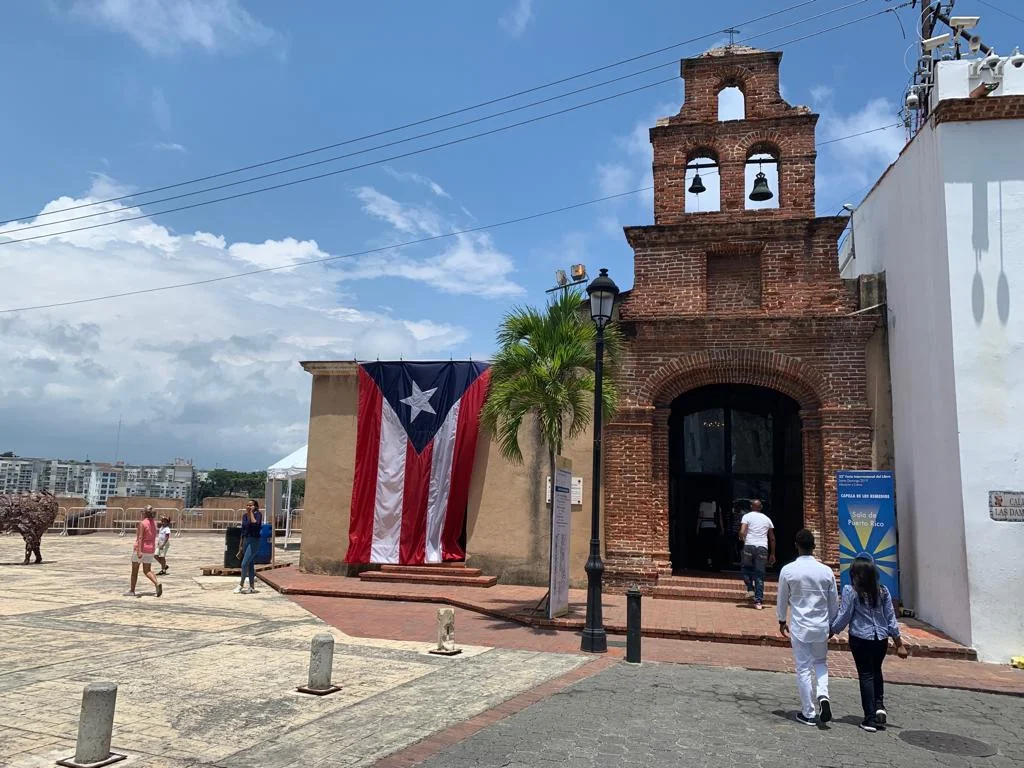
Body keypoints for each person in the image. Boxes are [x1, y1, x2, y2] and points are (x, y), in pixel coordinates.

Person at [830, 556, 909, 732]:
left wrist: (831, 631)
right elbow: (890, 618)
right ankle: (879, 706)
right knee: (876, 671)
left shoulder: (851, 591)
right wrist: (899, 643)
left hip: (860, 638)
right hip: (880, 639)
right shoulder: (883, 591)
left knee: (866, 675)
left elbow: (844, 616)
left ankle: (870, 718)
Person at [776, 529, 838, 726]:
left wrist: (781, 620)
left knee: (803, 668)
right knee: (820, 662)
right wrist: (833, 624)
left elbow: (782, 598)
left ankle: (808, 712)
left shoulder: (788, 570)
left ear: (796, 545)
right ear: (814, 546)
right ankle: (823, 695)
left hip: (800, 625)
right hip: (821, 626)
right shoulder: (826, 571)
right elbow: (833, 601)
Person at [739, 499, 775, 609]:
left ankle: (750, 589)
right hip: (762, 548)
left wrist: (741, 537)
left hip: (749, 546)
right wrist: (772, 553)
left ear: (751, 506)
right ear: (761, 507)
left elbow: (742, 531)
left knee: (746, 568)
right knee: (759, 574)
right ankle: (758, 601)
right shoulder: (767, 519)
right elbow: (772, 538)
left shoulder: (747, 516)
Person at [124, 506, 162, 598]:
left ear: (145, 513)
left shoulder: (142, 523)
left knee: (134, 571)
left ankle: (132, 590)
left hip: (142, 548)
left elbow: (140, 537)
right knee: (147, 570)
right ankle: (157, 583)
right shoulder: (154, 523)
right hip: (151, 549)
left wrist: (139, 551)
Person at [234, 500, 263, 595]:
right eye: (247, 505)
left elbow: (255, 523)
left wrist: (251, 513)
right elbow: (243, 531)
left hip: (254, 541)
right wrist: (240, 546)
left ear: (255, 506)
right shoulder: (244, 516)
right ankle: (252, 587)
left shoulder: (258, 514)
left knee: (244, 564)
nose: (248, 506)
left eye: (250, 505)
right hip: (246, 540)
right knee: (250, 565)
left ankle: (241, 584)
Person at [695, 500, 722, 571]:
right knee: (714, 547)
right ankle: (714, 565)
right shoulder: (716, 504)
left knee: (705, 547)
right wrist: (722, 528)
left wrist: (697, 527)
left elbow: (700, 516)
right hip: (714, 527)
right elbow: (720, 518)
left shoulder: (703, 504)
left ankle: (705, 565)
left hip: (705, 527)